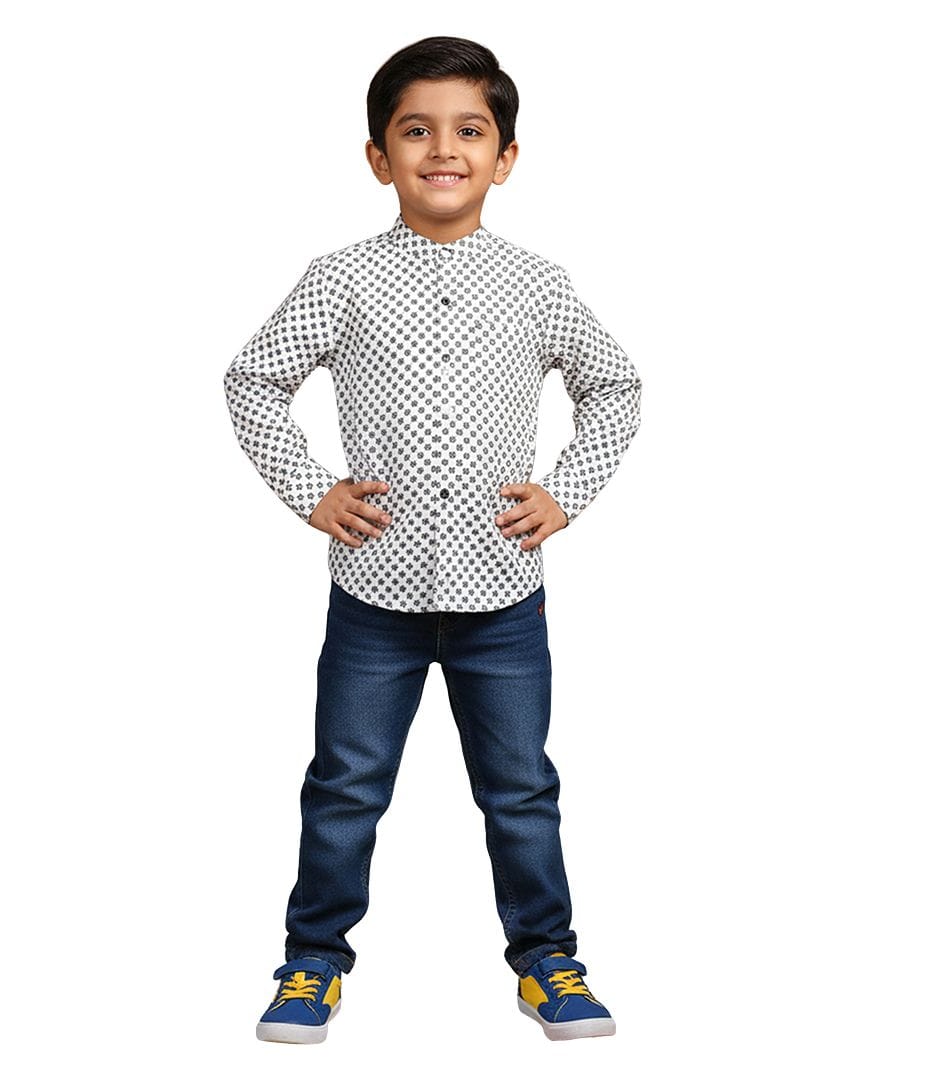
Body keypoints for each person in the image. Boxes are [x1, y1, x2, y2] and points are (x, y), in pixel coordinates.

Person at [223, 35, 642, 1043]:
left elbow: (616, 386)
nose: (443, 149)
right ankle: (312, 963)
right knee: (345, 785)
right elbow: (253, 380)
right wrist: (312, 492)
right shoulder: (341, 279)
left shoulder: (537, 284)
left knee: (522, 788)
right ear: (380, 157)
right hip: (376, 595)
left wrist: (565, 495)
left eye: (470, 131)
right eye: (416, 131)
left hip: (504, 597)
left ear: (506, 156)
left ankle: (547, 961)